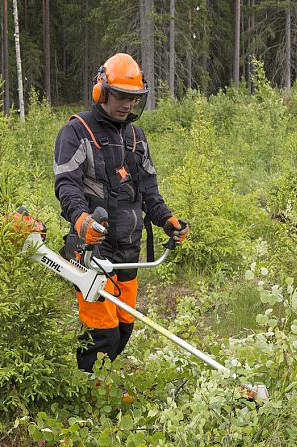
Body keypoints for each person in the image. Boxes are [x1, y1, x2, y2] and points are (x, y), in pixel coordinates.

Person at [53, 53, 189, 373]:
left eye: (133, 98)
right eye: (120, 96)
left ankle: (105, 386)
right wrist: (81, 219)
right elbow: (67, 187)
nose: (127, 105)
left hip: (129, 251)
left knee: (124, 327)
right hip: (92, 250)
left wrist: (168, 220)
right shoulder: (76, 132)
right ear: (101, 91)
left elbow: (149, 192)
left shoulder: (135, 138)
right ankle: (90, 398)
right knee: (102, 334)